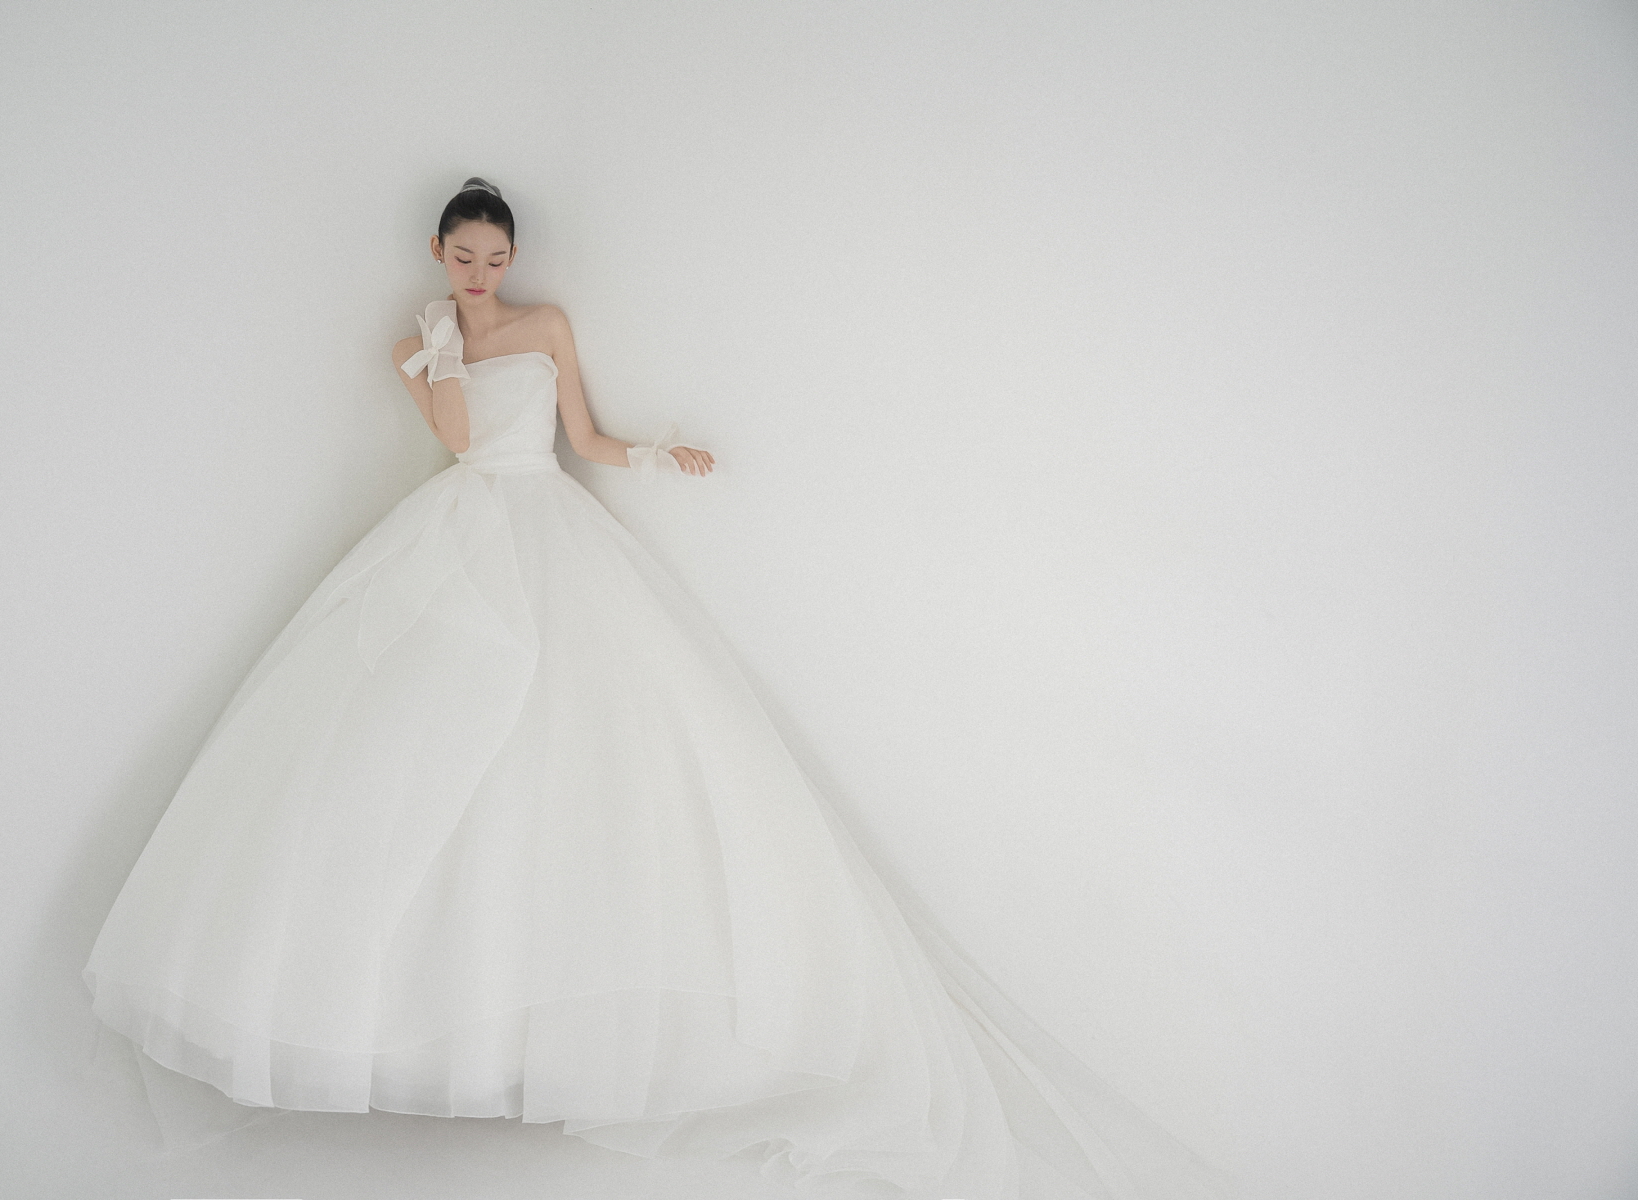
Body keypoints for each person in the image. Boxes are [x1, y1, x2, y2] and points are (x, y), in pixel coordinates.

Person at [81, 177, 1234, 1200]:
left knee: (590, 748)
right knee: (419, 750)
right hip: (464, 531)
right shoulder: (422, 338)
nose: (481, 272)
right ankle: (426, 1028)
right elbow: (458, 441)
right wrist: (434, 358)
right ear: (438, 253)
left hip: (548, 527)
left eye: (495, 256)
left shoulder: (544, 324)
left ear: (511, 257)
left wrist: (653, 456)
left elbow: (578, 435)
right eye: (464, 256)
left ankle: (577, 1032)